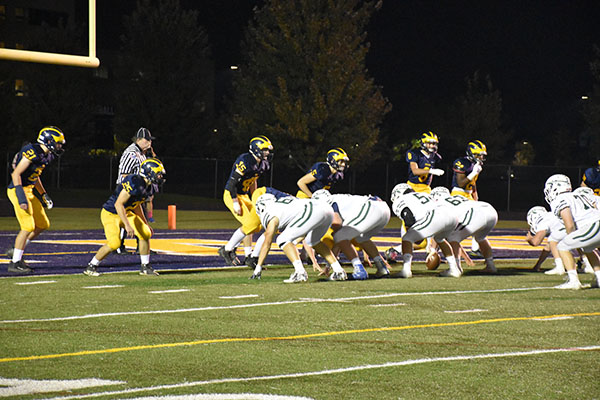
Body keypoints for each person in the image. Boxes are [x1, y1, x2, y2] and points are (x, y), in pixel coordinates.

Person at [84, 158, 166, 277]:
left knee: (145, 233)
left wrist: (145, 223)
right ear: (149, 172)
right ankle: (91, 266)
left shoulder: (149, 187)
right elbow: (118, 204)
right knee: (114, 243)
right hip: (111, 213)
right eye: (158, 174)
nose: (160, 177)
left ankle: (145, 267)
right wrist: (127, 226)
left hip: (127, 212)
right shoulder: (135, 181)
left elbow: (137, 205)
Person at [6, 126, 66, 273]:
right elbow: (16, 175)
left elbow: (35, 175)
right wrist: (21, 198)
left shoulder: (47, 155)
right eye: (58, 143)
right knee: (28, 227)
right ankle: (15, 263)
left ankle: (17, 249)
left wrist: (43, 194)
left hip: (29, 191)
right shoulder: (32, 151)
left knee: (43, 224)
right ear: (49, 141)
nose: (59, 146)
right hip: (17, 190)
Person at [250, 193, 348, 282]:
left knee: (282, 239)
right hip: (326, 209)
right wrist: (294, 242)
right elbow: (303, 229)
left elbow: (267, 243)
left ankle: (300, 272)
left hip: (312, 210)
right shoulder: (283, 203)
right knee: (313, 241)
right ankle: (339, 271)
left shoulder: (269, 212)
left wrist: (258, 267)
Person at [385, 132, 443, 263]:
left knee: (434, 220)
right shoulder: (414, 153)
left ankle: (432, 252)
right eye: (430, 143)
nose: (432, 146)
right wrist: (431, 171)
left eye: (434, 143)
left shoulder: (435, 157)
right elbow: (415, 170)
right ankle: (403, 247)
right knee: (409, 221)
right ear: (423, 142)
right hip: (412, 189)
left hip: (426, 190)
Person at [311, 189, 391, 279]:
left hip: (372, 208)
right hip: (384, 209)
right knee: (362, 238)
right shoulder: (339, 199)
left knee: (340, 236)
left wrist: (329, 266)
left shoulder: (327, 202)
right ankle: (382, 268)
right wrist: (329, 266)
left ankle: (359, 270)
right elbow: (340, 242)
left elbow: (338, 228)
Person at [219, 135, 273, 266]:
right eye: (264, 149)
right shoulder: (245, 160)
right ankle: (227, 249)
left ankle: (247, 254)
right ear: (255, 149)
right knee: (251, 224)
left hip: (244, 195)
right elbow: (232, 183)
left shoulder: (263, 163)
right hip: (232, 194)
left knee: (258, 223)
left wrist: (255, 198)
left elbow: (253, 181)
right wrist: (235, 202)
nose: (267, 152)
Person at [390, 183, 461, 278]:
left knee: (407, 238)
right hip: (452, 216)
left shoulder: (400, 200)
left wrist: (414, 237)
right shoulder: (424, 194)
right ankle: (454, 269)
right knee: (440, 239)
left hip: (436, 216)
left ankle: (406, 270)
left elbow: (408, 217)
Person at [543, 174, 600, 289]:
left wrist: (572, 239)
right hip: (595, 224)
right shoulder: (579, 195)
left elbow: (569, 223)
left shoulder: (559, 199)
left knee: (563, 246)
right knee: (588, 248)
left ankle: (573, 281)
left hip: (593, 226)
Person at [296, 147, 350, 270]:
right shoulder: (322, 169)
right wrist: (312, 197)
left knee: (337, 224)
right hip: (306, 196)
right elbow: (301, 183)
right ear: (332, 160)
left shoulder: (337, 174)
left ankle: (309, 255)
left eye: (344, 162)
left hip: (322, 198)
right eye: (340, 161)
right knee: (308, 227)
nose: (343, 164)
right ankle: (311, 258)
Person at [430, 186, 498, 275]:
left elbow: (439, 230)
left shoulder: (439, 204)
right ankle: (490, 266)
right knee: (480, 237)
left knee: (452, 237)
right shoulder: (456, 197)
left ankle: (456, 268)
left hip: (477, 213)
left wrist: (432, 250)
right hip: (490, 210)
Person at [115, 127, 155, 254]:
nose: (149, 143)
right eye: (146, 140)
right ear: (138, 140)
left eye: (150, 140)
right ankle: (119, 245)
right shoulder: (131, 153)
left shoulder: (142, 153)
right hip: (127, 190)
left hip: (136, 191)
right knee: (124, 218)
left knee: (140, 217)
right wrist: (132, 188)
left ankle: (141, 245)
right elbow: (124, 174)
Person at [451, 140, 487, 258]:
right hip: (458, 194)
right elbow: (460, 183)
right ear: (472, 153)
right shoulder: (462, 162)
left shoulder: (477, 165)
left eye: (482, 155)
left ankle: (476, 248)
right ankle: (433, 249)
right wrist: (473, 173)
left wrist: (475, 196)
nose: (481, 157)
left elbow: (473, 183)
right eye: (478, 154)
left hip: (468, 194)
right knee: (452, 224)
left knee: (479, 220)